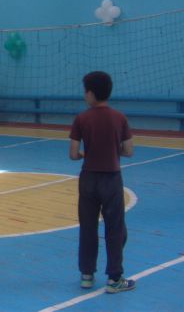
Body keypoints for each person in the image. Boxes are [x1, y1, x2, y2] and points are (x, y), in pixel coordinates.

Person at [69, 71, 135, 294]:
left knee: (88, 228)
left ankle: (87, 275)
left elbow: (73, 154)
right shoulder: (120, 118)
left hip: (88, 179)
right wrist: (112, 149)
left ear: (90, 93)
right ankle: (114, 279)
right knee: (115, 229)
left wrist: (85, 153)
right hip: (112, 179)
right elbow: (128, 151)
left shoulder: (81, 119)